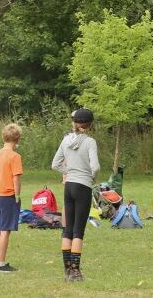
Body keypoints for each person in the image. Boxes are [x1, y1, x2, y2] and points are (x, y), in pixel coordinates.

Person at [52, 108, 100, 282]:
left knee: (68, 229)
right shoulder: (90, 142)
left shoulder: (65, 140)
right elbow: (95, 167)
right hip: (83, 186)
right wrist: (90, 178)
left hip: (69, 185)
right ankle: (76, 272)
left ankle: (67, 271)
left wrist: (69, 171)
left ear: (75, 123)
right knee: (79, 231)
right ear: (89, 124)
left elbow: (55, 164)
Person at [0, 123, 23, 273]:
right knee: (5, 230)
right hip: (7, 196)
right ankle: (1, 263)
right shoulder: (15, 157)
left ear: (3, 137)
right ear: (18, 138)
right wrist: (17, 195)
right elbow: (16, 178)